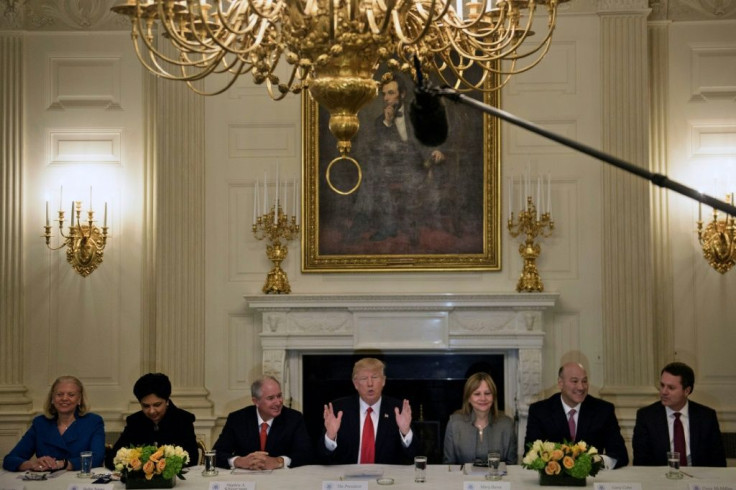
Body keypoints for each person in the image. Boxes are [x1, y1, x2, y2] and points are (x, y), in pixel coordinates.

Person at [524, 362, 628, 469]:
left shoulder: (603, 410)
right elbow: (530, 454)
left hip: (593, 480)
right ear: (560, 383)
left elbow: (620, 455)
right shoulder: (540, 411)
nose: (581, 387)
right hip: (553, 481)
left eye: (584, 381)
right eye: (574, 381)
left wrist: (596, 461)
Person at [321, 357, 417, 464]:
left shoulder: (397, 410)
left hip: (386, 478)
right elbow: (322, 457)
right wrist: (330, 436)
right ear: (355, 384)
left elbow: (414, 456)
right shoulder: (339, 409)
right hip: (348, 477)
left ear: (383, 381)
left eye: (375, 377)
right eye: (364, 378)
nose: (370, 383)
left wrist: (405, 432)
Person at [632, 362, 726, 467]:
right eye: (662, 385)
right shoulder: (646, 417)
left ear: (687, 391)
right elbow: (641, 463)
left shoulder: (706, 417)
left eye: (671, 388)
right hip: (660, 479)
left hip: (698, 479)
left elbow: (718, 461)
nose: (664, 392)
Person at [3, 375, 105, 472]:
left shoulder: (93, 422)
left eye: (71, 395)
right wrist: (33, 464)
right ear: (52, 398)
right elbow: (10, 459)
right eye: (59, 394)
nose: (64, 398)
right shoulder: (40, 423)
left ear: (79, 399)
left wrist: (62, 464)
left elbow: (97, 458)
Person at [212, 376, 314, 469]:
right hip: (246, 480)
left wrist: (279, 461)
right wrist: (239, 461)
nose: (278, 402)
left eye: (279, 396)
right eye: (271, 398)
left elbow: (306, 454)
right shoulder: (237, 419)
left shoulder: (294, 418)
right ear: (256, 401)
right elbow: (216, 454)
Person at [106, 373, 198, 469]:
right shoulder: (135, 422)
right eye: (146, 406)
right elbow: (112, 458)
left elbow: (192, 459)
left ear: (167, 401)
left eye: (157, 405)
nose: (152, 411)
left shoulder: (183, 420)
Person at [443, 372, 517, 465]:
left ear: (493, 397)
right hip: (462, 479)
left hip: (497, 479)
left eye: (487, 393)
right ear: (468, 398)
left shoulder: (507, 424)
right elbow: (448, 466)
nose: (483, 398)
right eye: (477, 394)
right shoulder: (454, 423)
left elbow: (512, 467)